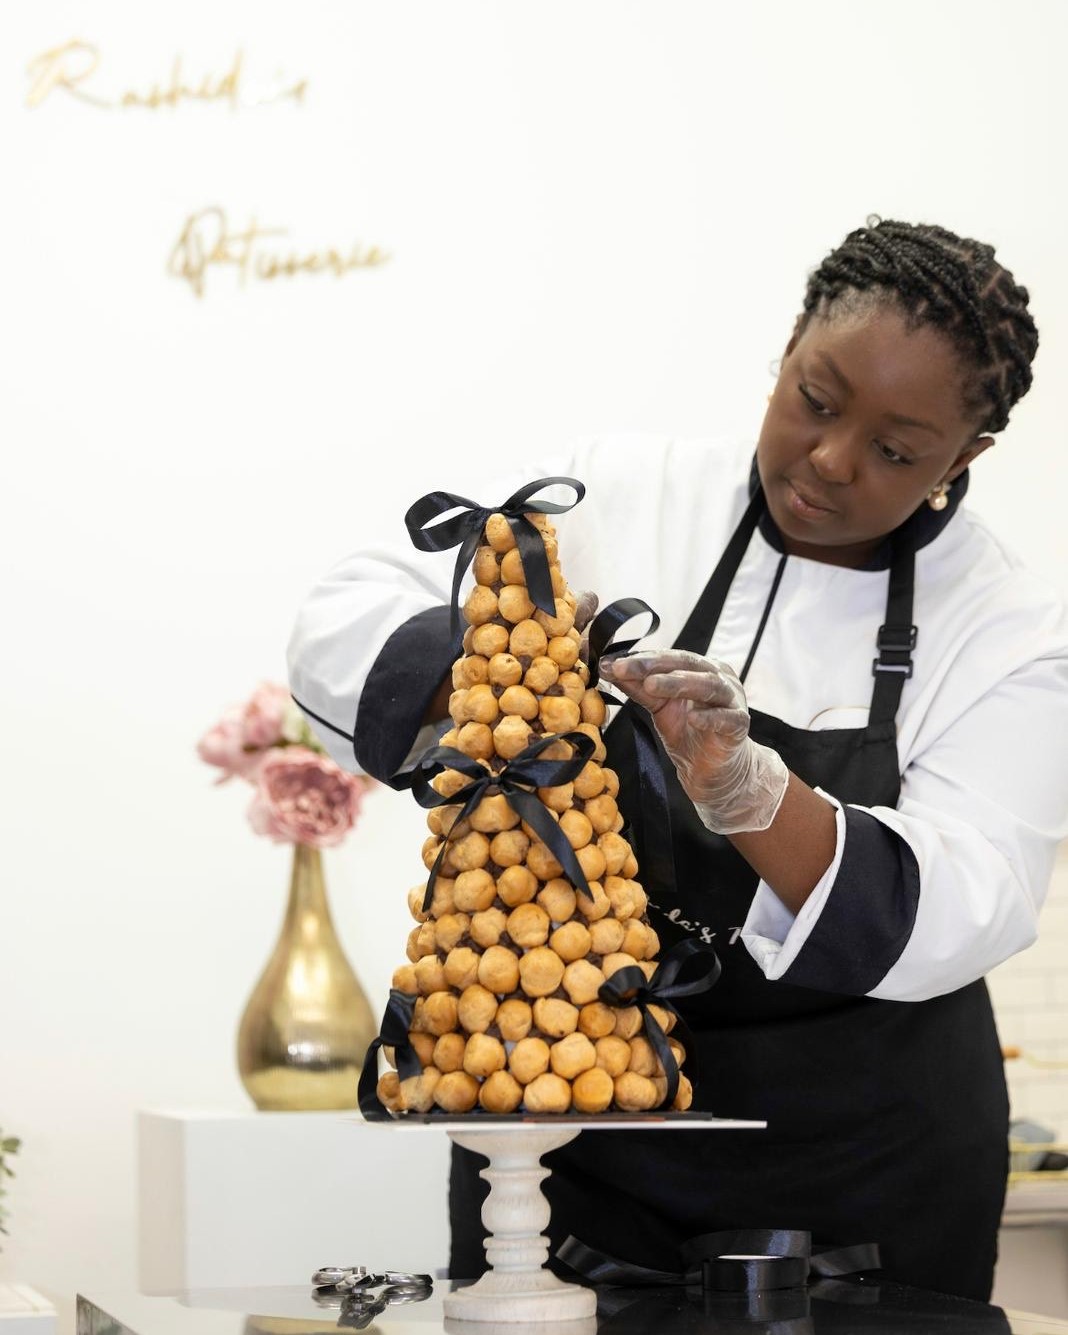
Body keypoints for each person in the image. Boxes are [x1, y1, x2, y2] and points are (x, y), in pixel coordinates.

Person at [286, 217, 1068, 1303]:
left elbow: (969, 900)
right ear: (787, 347)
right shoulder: (615, 491)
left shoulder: (1011, 627)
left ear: (964, 459)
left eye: (896, 451)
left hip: (867, 1177)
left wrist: (748, 790)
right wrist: (517, 661)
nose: (831, 462)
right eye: (816, 399)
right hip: (572, 1123)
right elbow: (339, 624)